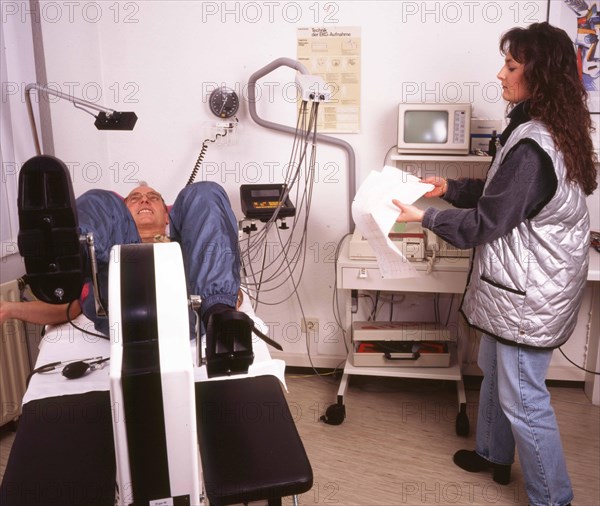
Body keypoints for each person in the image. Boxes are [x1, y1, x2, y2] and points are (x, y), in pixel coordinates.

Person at [393, 22, 596, 506]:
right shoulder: (533, 127)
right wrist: (448, 189)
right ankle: (492, 453)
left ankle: (554, 498)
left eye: (511, 65)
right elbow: (499, 194)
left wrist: (425, 216)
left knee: (524, 398)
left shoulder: (534, 146)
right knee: (491, 365)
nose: (499, 75)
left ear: (539, 75)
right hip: (518, 284)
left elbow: (486, 223)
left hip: (529, 291)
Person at [1, 179, 246, 342]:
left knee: (204, 191)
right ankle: (68, 250)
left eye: (154, 197)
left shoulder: (190, 249)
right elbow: (69, 308)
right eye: (134, 199)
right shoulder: (106, 247)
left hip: (190, 314)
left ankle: (218, 315)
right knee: (99, 199)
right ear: (121, 216)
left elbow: (224, 271)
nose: (145, 200)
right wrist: (8, 309)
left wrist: (225, 301)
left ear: (167, 215)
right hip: (122, 312)